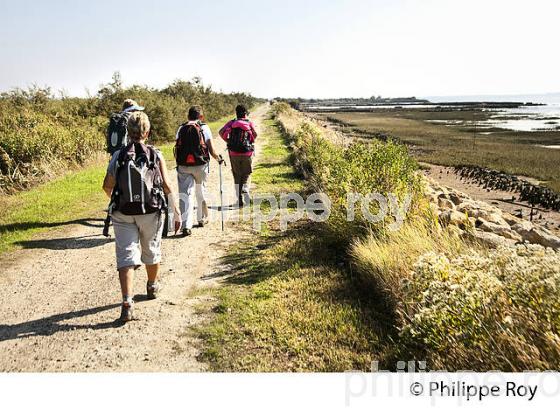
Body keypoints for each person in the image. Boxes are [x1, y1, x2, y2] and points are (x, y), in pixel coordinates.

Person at [102, 111, 181, 322]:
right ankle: (152, 285)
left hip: (122, 213)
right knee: (151, 250)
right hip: (151, 212)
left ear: (127, 131)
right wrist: (176, 211)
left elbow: (107, 186)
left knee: (126, 256)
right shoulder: (155, 155)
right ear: (147, 132)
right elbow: (166, 185)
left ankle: (127, 302)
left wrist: (120, 199)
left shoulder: (119, 156)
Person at [175, 105, 223, 237]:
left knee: (185, 194)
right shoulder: (204, 128)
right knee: (200, 190)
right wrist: (218, 159)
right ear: (200, 117)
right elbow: (211, 150)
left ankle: (186, 226)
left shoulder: (181, 128)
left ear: (188, 116)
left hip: (183, 165)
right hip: (200, 165)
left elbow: (178, 147)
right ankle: (202, 219)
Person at [219, 104, 257, 207]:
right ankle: (245, 187)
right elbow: (255, 134)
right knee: (246, 173)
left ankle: (239, 201)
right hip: (247, 152)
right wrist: (250, 142)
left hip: (233, 153)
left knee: (237, 175)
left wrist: (228, 141)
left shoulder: (232, 123)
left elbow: (221, 132)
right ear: (245, 113)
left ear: (236, 113)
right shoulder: (249, 123)